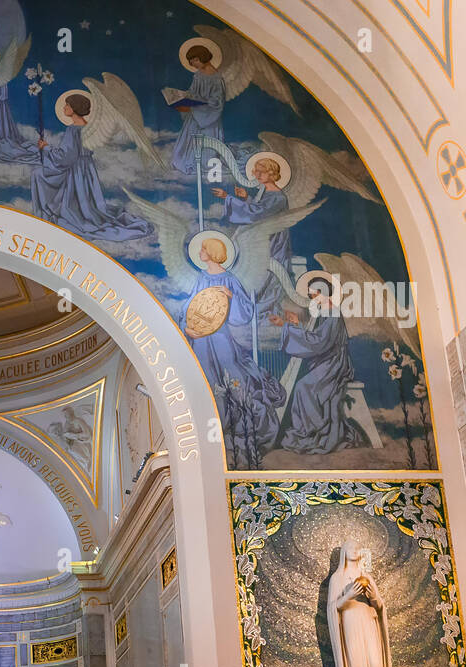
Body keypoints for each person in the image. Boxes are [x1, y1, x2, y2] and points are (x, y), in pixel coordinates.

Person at [179, 236, 284, 461]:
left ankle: (240, 433)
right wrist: (188, 328)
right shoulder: (200, 278)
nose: (200, 253)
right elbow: (189, 307)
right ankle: (214, 432)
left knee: (234, 377)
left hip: (220, 338)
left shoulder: (229, 280)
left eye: (203, 249)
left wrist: (231, 297)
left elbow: (244, 313)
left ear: (212, 252)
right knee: (206, 379)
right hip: (200, 340)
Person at [32, 93, 151, 241]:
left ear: (74, 108)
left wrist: (46, 148)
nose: (64, 107)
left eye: (67, 105)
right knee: (86, 201)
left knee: (38, 174)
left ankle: (64, 212)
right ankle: (84, 211)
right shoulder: (89, 127)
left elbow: (66, 157)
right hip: (87, 169)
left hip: (74, 169)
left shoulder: (73, 129)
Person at [271, 280, 365, 454]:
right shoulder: (326, 313)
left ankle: (313, 431)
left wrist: (287, 327)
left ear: (324, 293)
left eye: (314, 295)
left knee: (302, 387)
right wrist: (296, 325)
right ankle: (310, 429)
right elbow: (316, 338)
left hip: (335, 363)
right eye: (311, 296)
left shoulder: (333, 314)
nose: (312, 299)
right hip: (327, 359)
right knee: (303, 386)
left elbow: (318, 342)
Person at [214, 157, 289, 320]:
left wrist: (228, 198)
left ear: (271, 173)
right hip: (263, 242)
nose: (256, 175)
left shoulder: (279, 198)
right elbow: (259, 210)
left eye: (260, 172)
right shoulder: (268, 194)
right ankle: (246, 308)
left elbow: (257, 214)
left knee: (265, 284)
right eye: (256, 171)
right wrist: (246, 198)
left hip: (272, 246)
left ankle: (255, 312)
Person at [170, 44, 225, 174]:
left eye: (194, 60)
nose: (192, 64)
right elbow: (193, 93)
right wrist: (181, 98)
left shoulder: (217, 79)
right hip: (194, 116)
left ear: (203, 57)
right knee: (180, 155)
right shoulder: (198, 76)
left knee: (206, 155)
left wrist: (193, 108)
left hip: (208, 119)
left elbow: (217, 103)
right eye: (190, 61)